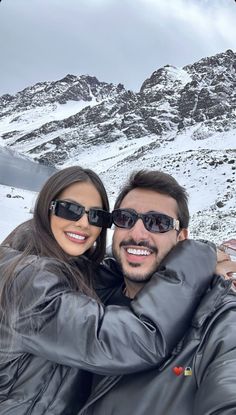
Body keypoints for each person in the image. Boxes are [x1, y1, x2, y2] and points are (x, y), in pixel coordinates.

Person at [0, 166, 219, 415]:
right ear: (45, 209)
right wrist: (193, 259)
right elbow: (128, 342)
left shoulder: (71, 271)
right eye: (68, 209)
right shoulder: (23, 282)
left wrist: (142, 262)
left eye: (96, 216)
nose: (83, 223)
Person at [79, 169, 236, 415]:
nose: (137, 234)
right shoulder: (89, 293)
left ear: (182, 238)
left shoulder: (218, 322)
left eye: (158, 223)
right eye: (125, 218)